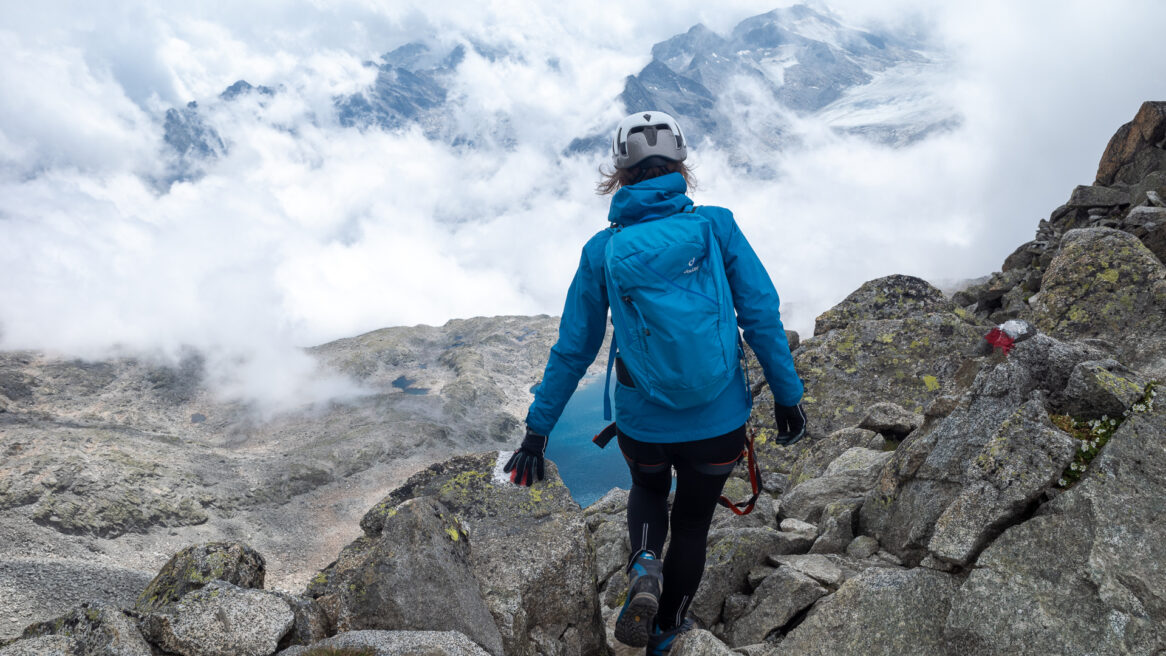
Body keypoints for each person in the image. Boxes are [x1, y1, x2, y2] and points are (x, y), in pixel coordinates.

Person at [504, 110, 806, 653]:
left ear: (618, 176)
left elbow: (575, 347)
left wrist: (537, 430)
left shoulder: (602, 251)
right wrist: (787, 396)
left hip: (644, 421)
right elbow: (760, 315)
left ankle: (644, 563)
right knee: (691, 525)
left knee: (647, 489)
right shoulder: (717, 226)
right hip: (718, 421)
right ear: (681, 167)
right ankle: (667, 632)